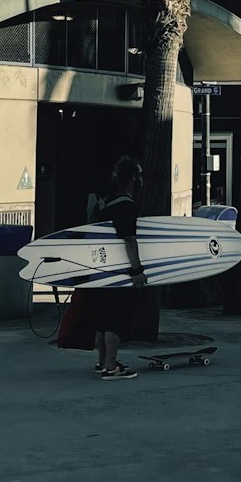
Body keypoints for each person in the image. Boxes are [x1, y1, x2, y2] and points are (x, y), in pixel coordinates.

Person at [89, 156, 148, 379]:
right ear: (133, 178)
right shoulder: (126, 206)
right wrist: (137, 270)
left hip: (101, 271)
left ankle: (102, 362)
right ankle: (111, 367)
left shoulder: (107, 202)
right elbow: (129, 240)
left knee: (104, 318)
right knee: (115, 319)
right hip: (118, 272)